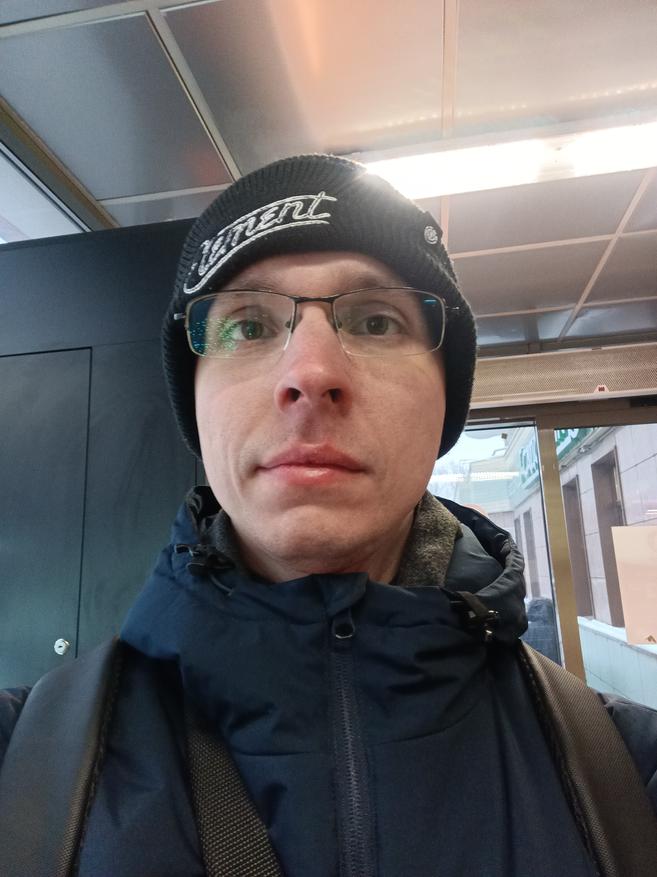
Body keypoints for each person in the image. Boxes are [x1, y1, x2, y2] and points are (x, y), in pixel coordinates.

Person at [1, 154, 656, 876]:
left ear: (445, 400)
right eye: (249, 326)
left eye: (375, 321)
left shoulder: (625, 779)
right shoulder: (26, 769)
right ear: (197, 403)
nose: (310, 373)